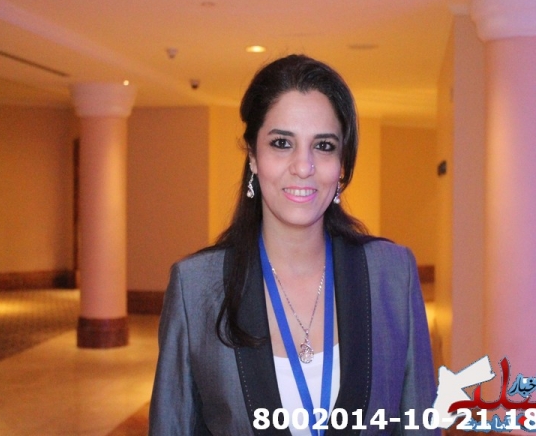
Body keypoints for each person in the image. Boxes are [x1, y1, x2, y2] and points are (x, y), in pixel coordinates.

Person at [149, 54, 438, 435]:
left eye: (324, 145)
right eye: (282, 143)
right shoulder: (196, 288)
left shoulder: (392, 274)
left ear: (342, 164)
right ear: (253, 156)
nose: (303, 166)